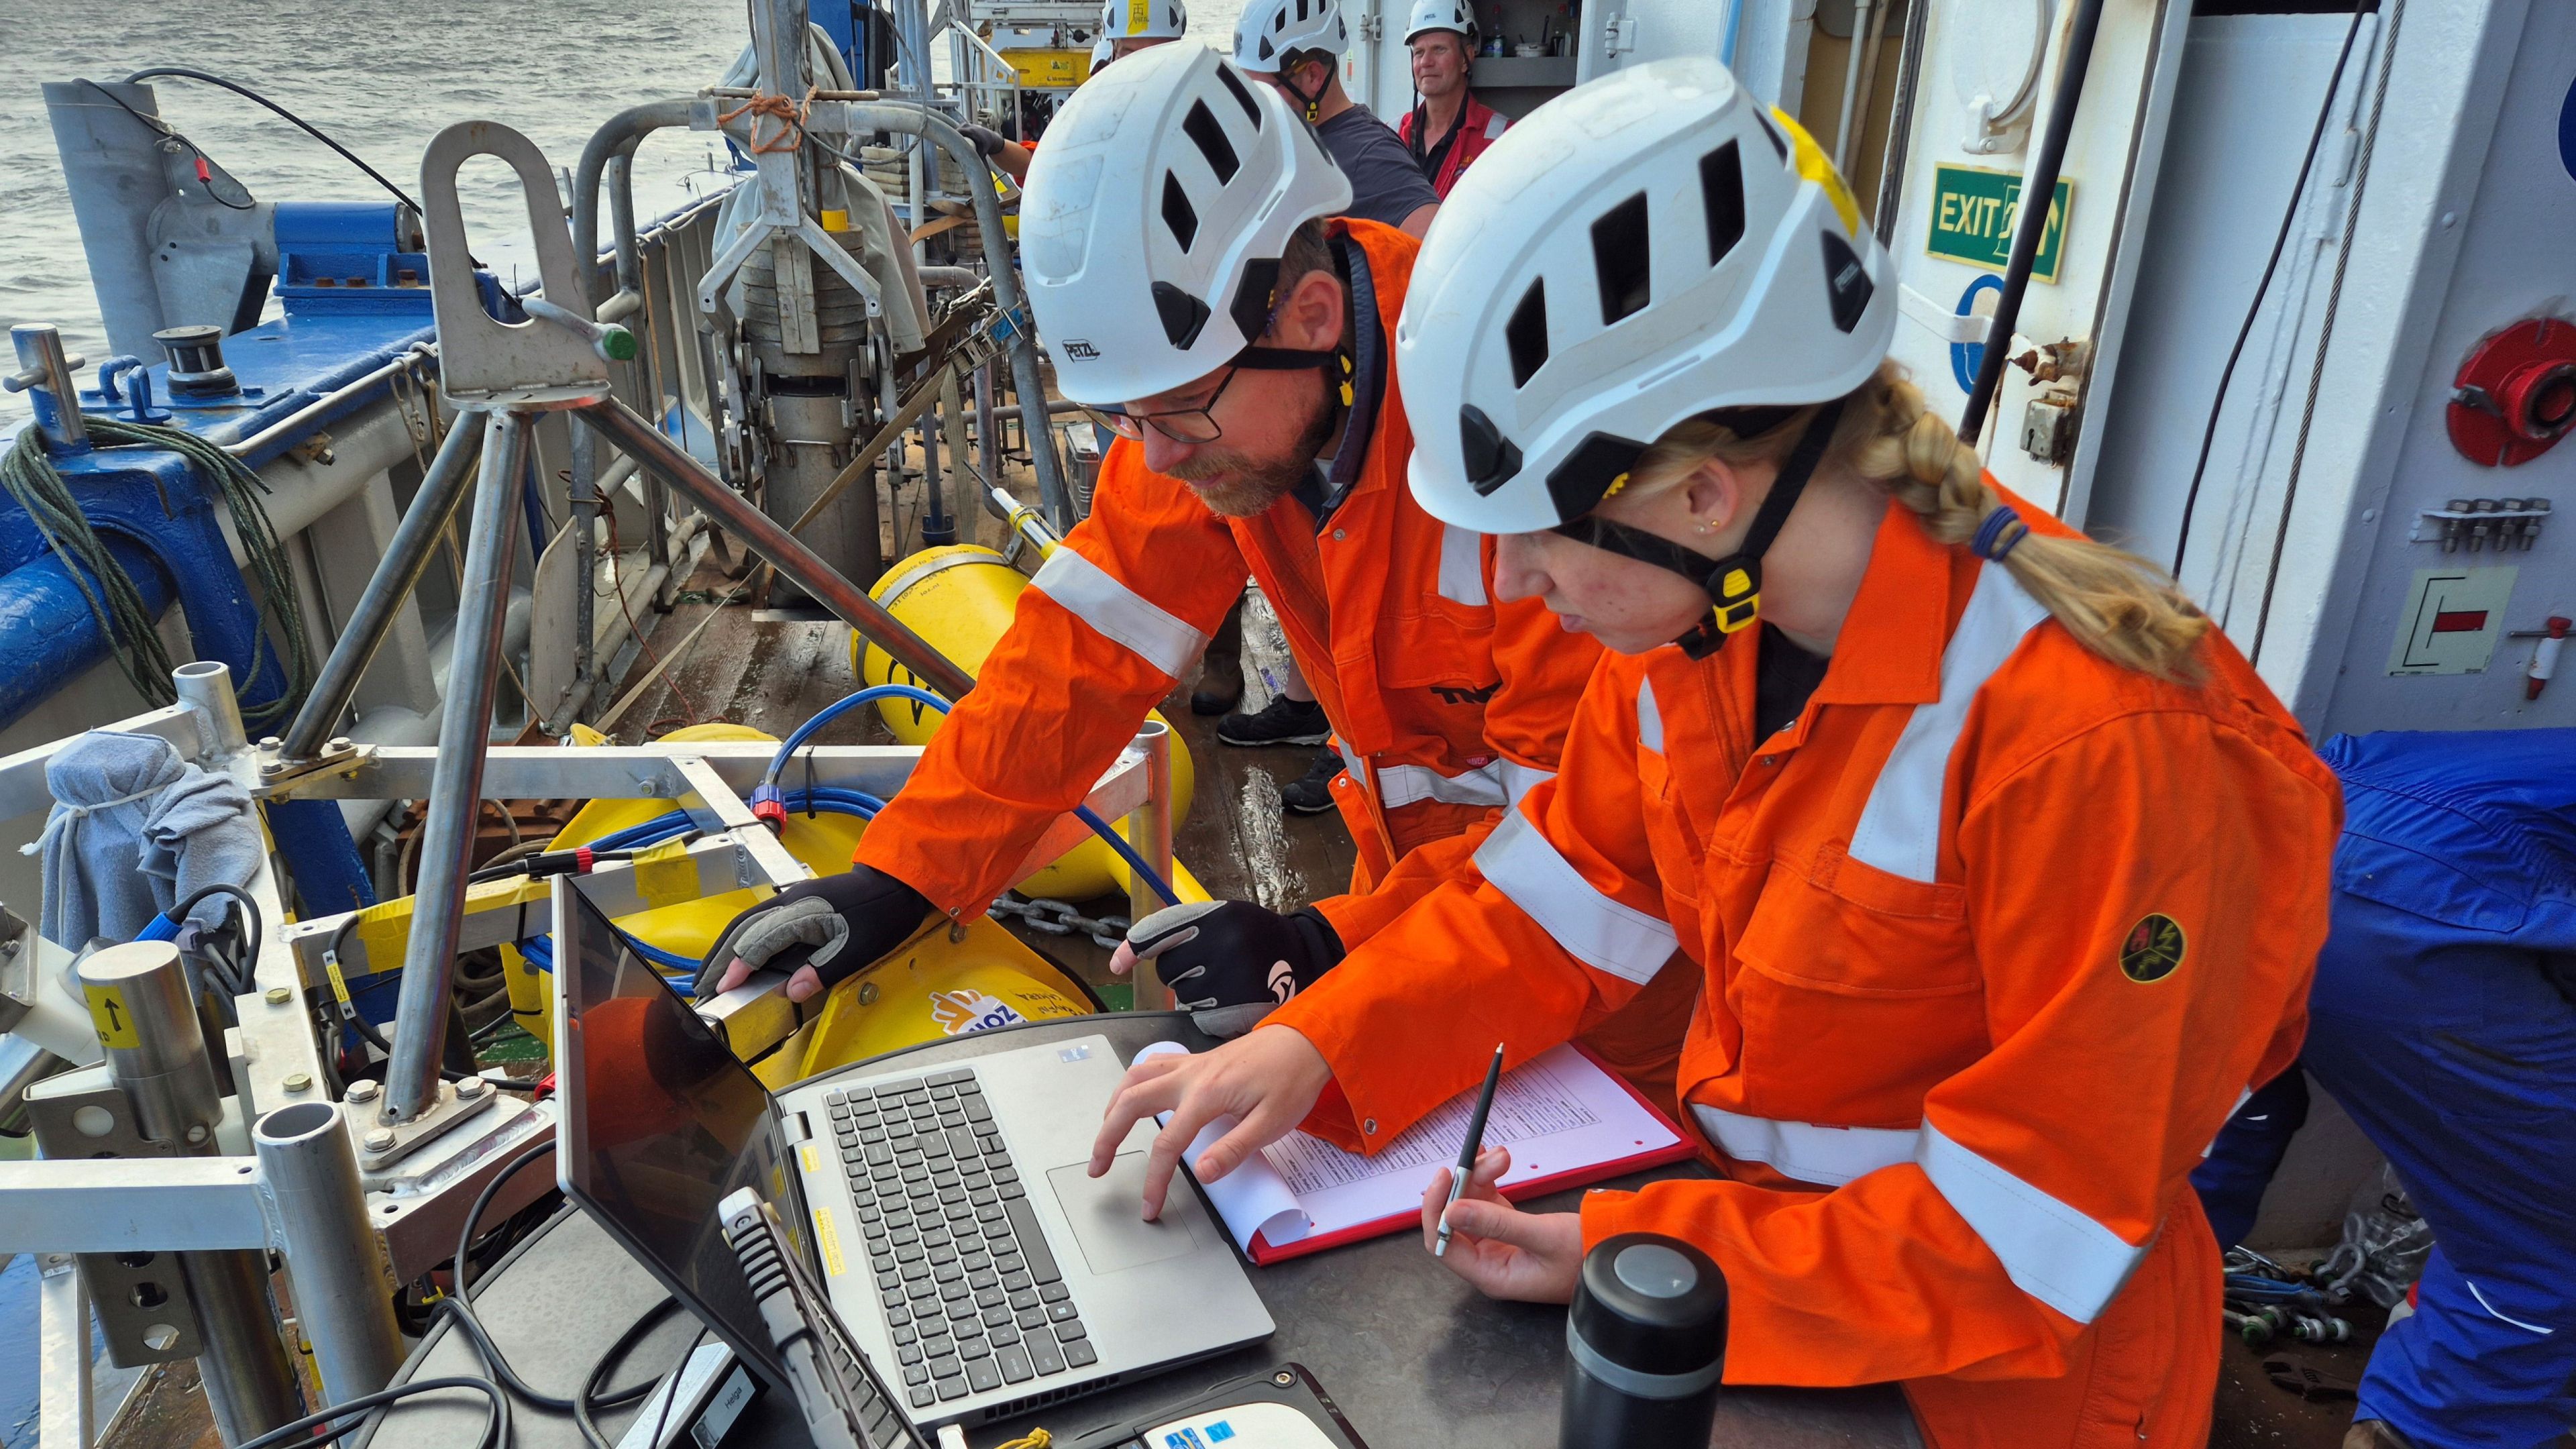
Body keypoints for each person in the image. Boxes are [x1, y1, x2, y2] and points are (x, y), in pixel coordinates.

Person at [1089, 58, 2342, 1448]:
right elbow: (1556, 901)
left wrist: (1649, 1249)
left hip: (1991, 1401)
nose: (1505, 583)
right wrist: (1319, 1045)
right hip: (1746, 1326)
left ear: (1701, 493)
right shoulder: (1705, 642)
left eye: (1531, 532)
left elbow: (2028, 1232)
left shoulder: (2109, 747)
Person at [702, 45, 1692, 1105]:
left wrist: (1328, 939)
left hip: (1617, 1024)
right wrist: (901, 878)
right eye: (1124, 418)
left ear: (1311, 317)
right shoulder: (1221, 397)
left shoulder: (1523, 459)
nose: (1156, 456)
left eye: (1175, 414)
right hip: (1415, 933)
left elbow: (1594, 848)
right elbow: (1074, 661)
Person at [2197, 729, 2576, 1449]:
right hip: (2426, 904)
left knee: (2210, 1151)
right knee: (2541, 1242)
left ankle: (2107, 1348)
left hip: (2266, 842)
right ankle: (2437, 1430)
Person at [1231, 0, 1438, 238]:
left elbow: (1439, 248)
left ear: (1313, 76)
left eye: (1263, 88)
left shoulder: (1372, 156)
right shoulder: (1297, 137)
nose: (1254, 102)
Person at [963, 1, 1186, 182]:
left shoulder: (1194, 113)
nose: (1140, 66)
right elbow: (1040, 163)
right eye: (1129, 53)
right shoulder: (1095, 117)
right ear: (1112, 56)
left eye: (1155, 53)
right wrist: (995, 144)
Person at [1396, 0, 1507, 199]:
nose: (1426, 62)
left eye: (1439, 49)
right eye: (1419, 52)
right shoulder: (1392, 135)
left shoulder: (1502, 139)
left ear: (1466, 59)